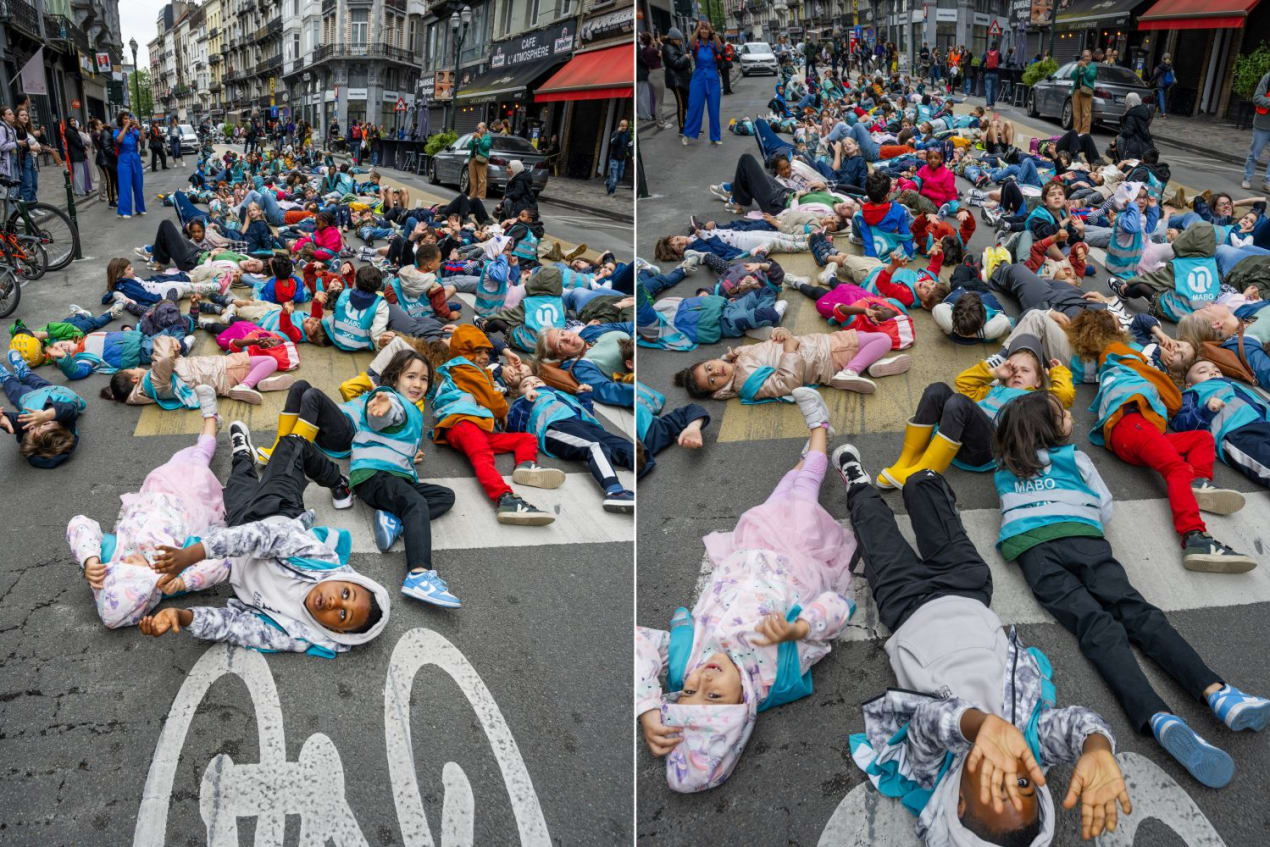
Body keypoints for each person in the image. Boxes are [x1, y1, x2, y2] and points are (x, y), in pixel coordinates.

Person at [835, 449, 1132, 845]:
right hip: (968, 591)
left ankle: (857, 482)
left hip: (906, 604)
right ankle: (920, 472)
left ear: (958, 804)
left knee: (875, 529)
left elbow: (927, 723)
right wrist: (1097, 749)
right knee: (931, 501)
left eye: (997, 786)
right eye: (1024, 784)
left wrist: (979, 725)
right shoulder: (1029, 742)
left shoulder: (933, 769)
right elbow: (1078, 723)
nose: (1009, 771)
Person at [992, 390, 1270, 787]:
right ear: (1051, 430)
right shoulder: (1077, 458)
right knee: (1135, 611)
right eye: (1061, 415)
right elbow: (1104, 506)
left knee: (1093, 626)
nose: (1069, 416)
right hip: (1081, 538)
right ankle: (1218, 693)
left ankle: (1156, 716)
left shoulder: (1005, 470)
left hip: (1031, 551)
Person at [636, 389, 856, 791]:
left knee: (784, 490)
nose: (702, 680)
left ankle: (811, 452)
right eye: (714, 697)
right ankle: (819, 428)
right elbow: (839, 607)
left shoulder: (688, 661)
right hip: (794, 555)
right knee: (804, 489)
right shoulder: (777, 672)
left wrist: (648, 708)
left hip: (749, 551)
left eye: (688, 691)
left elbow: (637, 642)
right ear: (744, 706)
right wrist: (801, 628)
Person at [137, 428, 391, 657]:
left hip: (237, 531)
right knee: (293, 443)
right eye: (346, 593)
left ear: (337, 632)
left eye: (343, 615)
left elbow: (236, 627)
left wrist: (183, 618)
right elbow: (262, 536)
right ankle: (339, 483)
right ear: (347, 580)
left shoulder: (295, 634)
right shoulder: (319, 560)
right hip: (276, 510)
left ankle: (242, 452)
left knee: (238, 482)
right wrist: (192, 555)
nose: (336, 602)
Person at [66, 416, 227, 629]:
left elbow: (79, 523)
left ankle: (207, 433)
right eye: (135, 570)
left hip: (154, 493)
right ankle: (210, 420)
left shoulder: (111, 556)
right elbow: (223, 562)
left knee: (179, 460)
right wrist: (182, 581)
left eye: (123, 567)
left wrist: (90, 560)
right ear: (149, 584)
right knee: (198, 460)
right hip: (189, 500)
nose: (130, 560)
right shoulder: (167, 576)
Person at [878, 334, 1072, 488]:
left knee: (959, 402)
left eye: (1025, 370)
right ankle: (907, 459)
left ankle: (925, 472)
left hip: (986, 449)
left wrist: (1059, 373)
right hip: (955, 440)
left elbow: (1063, 395)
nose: (1018, 374)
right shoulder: (992, 390)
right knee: (936, 390)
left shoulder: (1037, 400)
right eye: (1014, 370)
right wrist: (995, 373)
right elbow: (962, 382)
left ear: (1038, 381)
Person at [431, 324, 560, 525]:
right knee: (483, 457)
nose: (484, 356)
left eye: (486, 351)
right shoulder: (464, 368)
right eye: (477, 351)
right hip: (462, 424)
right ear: (463, 352)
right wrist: (504, 413)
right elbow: (492, 399)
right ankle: (504, 499)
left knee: (525, 439)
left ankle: (526, 466)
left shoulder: (470, 370)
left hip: (474, 427)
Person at [506, 375, 636, 513]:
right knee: (595, 446)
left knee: (626, 447)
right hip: (554, 427)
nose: (533, 383)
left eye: (537, 380)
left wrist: (585, 397)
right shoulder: (521, 402)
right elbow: (515, 428)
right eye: (526, 384)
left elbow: (585, 414)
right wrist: (527, 403)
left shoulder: (559, 394)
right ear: (518, 393)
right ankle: (615, 492)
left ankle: (644, 468)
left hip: (585, 425)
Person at [673, 326, 912, 399]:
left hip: (819, 347)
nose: (715, 372)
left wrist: (779, 333)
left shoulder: (739, 359)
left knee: (871, 342)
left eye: (708, 367)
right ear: (718, 390)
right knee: (883, 339)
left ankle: (868, 367)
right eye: (712, 380)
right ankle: (851, 371)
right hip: (822, 354)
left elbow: (769, 347)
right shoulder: (745, 384)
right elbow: (787, 384)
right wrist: (789, 350)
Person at [1173, 359, 1270, 487]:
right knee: (1264, 459)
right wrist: (1206, 410)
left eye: (1217, 370)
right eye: (1203, 371)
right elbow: (1180, 422)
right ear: (1189, 385)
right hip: (1235, 433)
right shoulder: (1192, 393)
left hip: (1263, 424)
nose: (1212, 372)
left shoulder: (1234, 385)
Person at [0, 349, 83, 468]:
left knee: (14, 389)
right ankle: (23, 372)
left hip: (29, 399)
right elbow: (68, 410)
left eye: (33, 427)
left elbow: (17, 422)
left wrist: (5, 421)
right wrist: (46, 415)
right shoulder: (68, 421)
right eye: (46, 423)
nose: (38, 422)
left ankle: (6, 377)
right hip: (53, 391)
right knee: (34, 379)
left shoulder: (30, 427)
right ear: (61, 426)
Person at [682, 19, 723, 146]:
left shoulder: (712, 44)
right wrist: (697, 29)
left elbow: (720, 47)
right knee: (694, 106)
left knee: (714, 109)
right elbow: (689, 45)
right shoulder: (697, 44)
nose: (704, 31)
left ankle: (715, 137)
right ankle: (687, 134)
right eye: (702, 29)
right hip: (698, 78)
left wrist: (712, 30)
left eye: (706, 29)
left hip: (713, 78)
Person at [114, 111, 146, 219]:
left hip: (135, 158)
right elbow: (119, 140)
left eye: (128, 118)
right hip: (124, 159)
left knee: (138, 184)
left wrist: (139, 128)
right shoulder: (117, 131)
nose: (127, 120)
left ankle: (140, 208)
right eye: (125, 119)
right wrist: (126, 127)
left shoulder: (133, 131)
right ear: (121, 121)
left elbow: (142, 139)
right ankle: (124, 211)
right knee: (125, 186)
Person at [1243, 69, 1270, 192]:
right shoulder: (1268, 77)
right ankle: (1247, 178)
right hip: (1262, 124)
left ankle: (1268, 182)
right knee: (1254, 154)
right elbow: (1257, 98)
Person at [663, 28, 692, 135]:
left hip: (681, 79)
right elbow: (676, 64)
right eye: (679, 39)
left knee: (686, 103)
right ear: (673, 39)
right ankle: (682, 128)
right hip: (676, 81)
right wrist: (685, 57)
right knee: (681, 104)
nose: (680, 41)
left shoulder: (673, 47)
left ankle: (689, 126)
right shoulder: (668, 48)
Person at [92, 118, 118, 208]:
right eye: (100, 124)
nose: (102, 125)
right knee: (109, 180)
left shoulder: (104, 133)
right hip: (104, 160)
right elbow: (106, 147)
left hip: (107, 159)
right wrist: (116, 155)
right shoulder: (100, 133)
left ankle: (113, 199)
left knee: (112, 179)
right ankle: (111, 201)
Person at [1070, 51, 1096, 136]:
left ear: (1091, 57)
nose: (1086, 58)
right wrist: (1077, 67)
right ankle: (1076, 130)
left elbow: (1091, 77)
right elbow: (1073, 76)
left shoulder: (1092, 66)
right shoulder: (1080, 65)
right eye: (1084, 56)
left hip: (1086, 91)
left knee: (1086, 113)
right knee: (1076, 113)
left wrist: (1085, 67)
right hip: (1076, 91)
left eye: (1087, 56)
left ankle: (1084, 132)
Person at [467, 122, 491, 200]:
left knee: (481, 179)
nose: (478, 129)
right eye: (477, 128)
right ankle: (472, 195)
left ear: (484, 129)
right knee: (472, 178)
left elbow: (485, 147)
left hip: (481, 159)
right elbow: (469, 146)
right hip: (473, 159)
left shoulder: (487, 137)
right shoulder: (476, 136)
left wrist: (480, 138)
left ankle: (481, 196)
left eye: (479, 128)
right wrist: (473, 139)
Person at [607, 119, 630, 195]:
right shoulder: (615, 133)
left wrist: (632, 155)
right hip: (614, 158)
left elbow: (630, 145)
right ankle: (611, 192)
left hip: (622, 158)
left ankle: (608, 182)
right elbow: (613, 143)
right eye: (622, 126)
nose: (623, 127)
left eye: (625, 126)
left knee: (619, 176)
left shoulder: (628, 134)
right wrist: (619, 133)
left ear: (627, 127)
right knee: (614, 177)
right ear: (619, 126)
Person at [1150, 53, 1174, 119]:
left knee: (1161, 97)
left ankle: (1163, 113)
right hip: (1166, 84)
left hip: (1160, 84)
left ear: (1163, 58)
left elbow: (1156, 75)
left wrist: (1150, 81)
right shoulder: (1170, 66)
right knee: (1158, 97)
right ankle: (1153, 110)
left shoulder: (1161, 65)